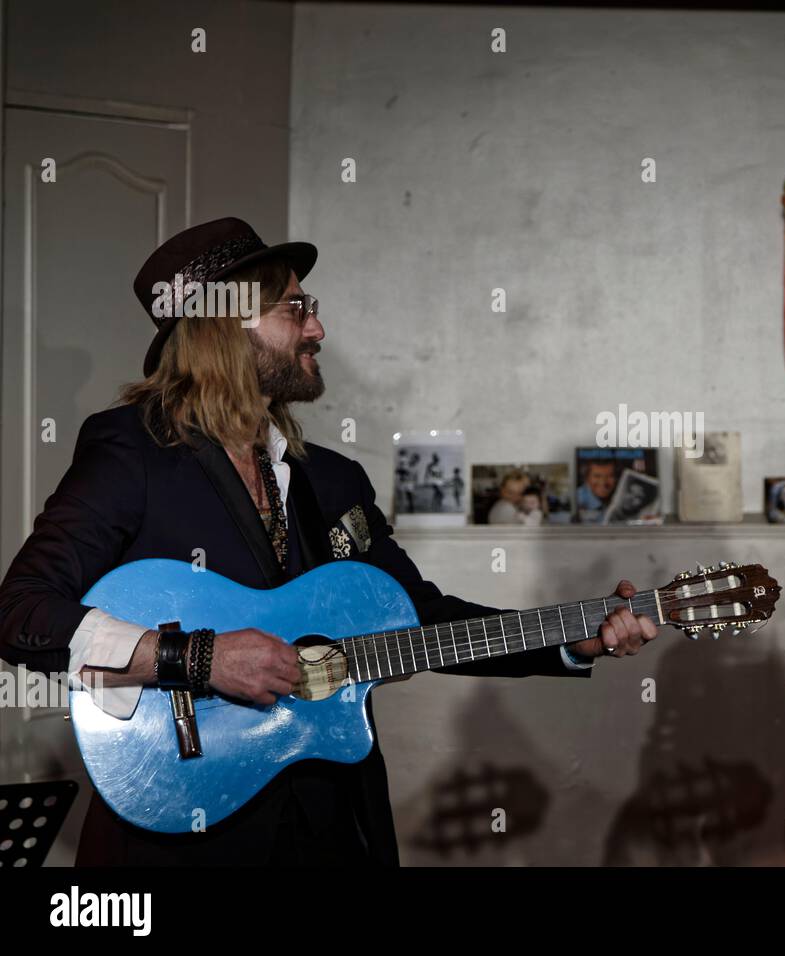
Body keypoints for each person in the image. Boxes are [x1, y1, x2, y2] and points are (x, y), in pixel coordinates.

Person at [0, 218, 658, 865]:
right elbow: (21, 612)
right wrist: (197, 659)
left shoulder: (334, 479)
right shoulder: (133, 453)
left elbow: (418, 617)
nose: (317, 329)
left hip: (332, 827)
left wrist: (574, 636)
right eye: (296, 309)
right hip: (180, 832)